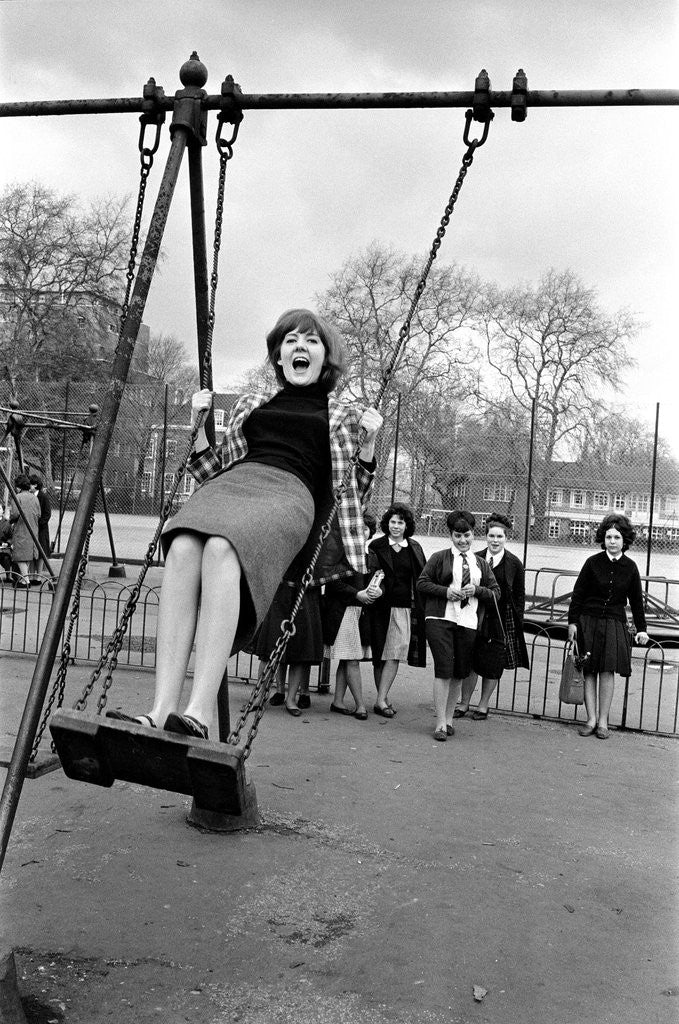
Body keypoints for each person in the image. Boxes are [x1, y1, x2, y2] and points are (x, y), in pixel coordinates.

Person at [106, 308, 382, 738]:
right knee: (180, 545)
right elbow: (209, 468)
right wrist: (198, 424)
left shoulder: (345, 414)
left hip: (292, 494)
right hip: (236, 482)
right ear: (278, 355)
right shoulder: (252, 404)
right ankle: (161, 710)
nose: (300, 347)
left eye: (311, 341)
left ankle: (199, 713)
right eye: (290, 340)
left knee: (221, 548)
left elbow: (353, 488)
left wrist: (371, 442)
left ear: (326, 357)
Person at [417, 510, 500, 741]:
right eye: (457, 536)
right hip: (440, 619)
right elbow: (422, 583)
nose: (463, 541)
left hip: (467, 621)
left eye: (467, 535)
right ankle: (440, 723)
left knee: (459, 672)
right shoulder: (439, 558)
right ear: (450, 536)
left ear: (474, 535)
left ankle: (450, 719)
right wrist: (445, 591)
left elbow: (496, 593)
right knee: (444, 668)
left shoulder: (480, 564)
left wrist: (477, 590)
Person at [567, 514, 649, 740]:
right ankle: (591, 719)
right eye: (608, 536)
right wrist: (573, 622)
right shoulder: (592, 563)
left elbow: (636, 601)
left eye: (617, 537)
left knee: (607, 671)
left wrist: (641, 629)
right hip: (588, 622)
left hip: (614, 624)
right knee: (589, 670)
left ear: (625, 540)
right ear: (603, 538)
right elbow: (578, 595)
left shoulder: (630, 567)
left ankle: (603, 721)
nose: (612, 541)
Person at [456, 513, 530, 720]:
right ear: (486, 536)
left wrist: (517, 621)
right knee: (471, 661)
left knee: (492, 662)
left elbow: (519, 595)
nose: (495, 541)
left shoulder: (514, 563)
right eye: (491, 536)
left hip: (500, 617)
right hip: (475, 614)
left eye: (499, 537)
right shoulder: (475, 557)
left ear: (506, 538)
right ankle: (463, 703)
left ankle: (483, 705)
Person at [366, 502, 426, 718]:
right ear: (387, 523)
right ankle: (382, 699)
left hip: (404, 609)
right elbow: (371, 575)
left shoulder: (415, 547)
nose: (396, 526)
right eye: (393, 522)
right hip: (380, 607)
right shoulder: (377, 546)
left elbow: (422, 578)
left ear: (406, 525)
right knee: (380, 654)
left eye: (400, 522)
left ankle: (381, 699)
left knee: (395, 652)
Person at [253, 578, 324, 716]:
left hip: (304, 594)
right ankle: (258, 697)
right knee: (269, 650)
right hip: (280, 592)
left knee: (299, 651)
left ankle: (291, 699)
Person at [8, 474, 40, 586]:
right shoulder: (35, 498)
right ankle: (23, 579)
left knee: (19, 555)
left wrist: (10, 520)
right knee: (27, 554)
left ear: (18, 487)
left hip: (21, 529)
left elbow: (14, 514)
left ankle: (25, 580)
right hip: (33, 529)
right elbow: (39, 514)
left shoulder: (17, 497)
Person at [29, 473, 52, 576]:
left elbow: (47, 513)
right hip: (32, 527)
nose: (29, 486)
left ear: (35, 485)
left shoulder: (43, 496)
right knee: (32, 552)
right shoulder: (30, 496)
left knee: (40, 552)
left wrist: (39, 524)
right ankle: (32, 574)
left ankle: (38, 576)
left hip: (41, 529)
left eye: (30, 484)